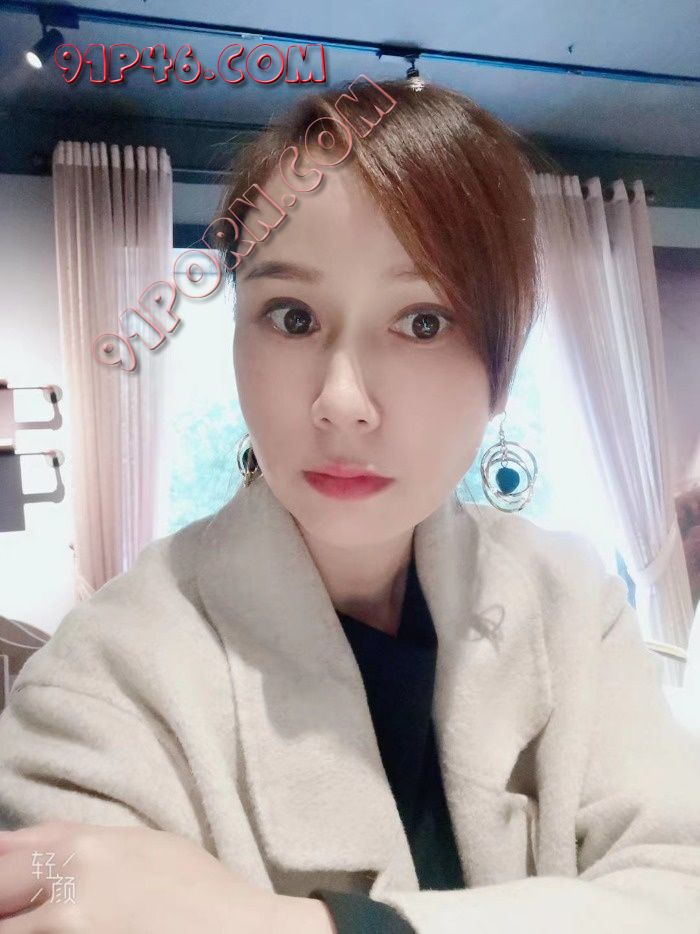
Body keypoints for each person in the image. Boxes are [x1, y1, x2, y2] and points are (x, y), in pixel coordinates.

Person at [0, 77, 699, 934]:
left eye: (423, 321)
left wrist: (295, 928)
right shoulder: (103, 673)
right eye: (292, 317)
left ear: (503, 369)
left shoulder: (571, 604)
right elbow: (53, 886)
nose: (341, 402)